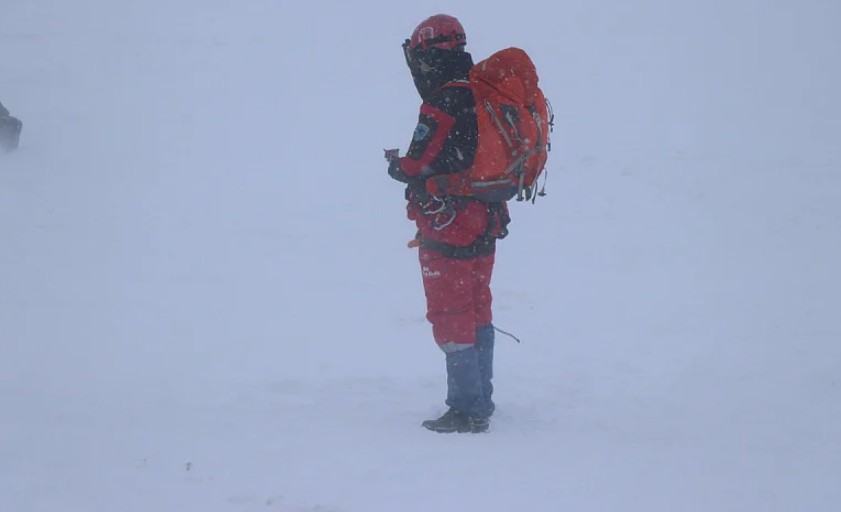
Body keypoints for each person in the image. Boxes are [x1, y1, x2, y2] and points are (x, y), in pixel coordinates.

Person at [385, 14, 511, 434]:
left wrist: (398, 167)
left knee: (450, 311)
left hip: (449, 222)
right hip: (488, 217)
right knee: (477, 305)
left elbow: (418, 162)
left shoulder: (442, 100)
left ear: (425, 55)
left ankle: (466, 408)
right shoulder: (483, 92)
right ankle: (482, 398)